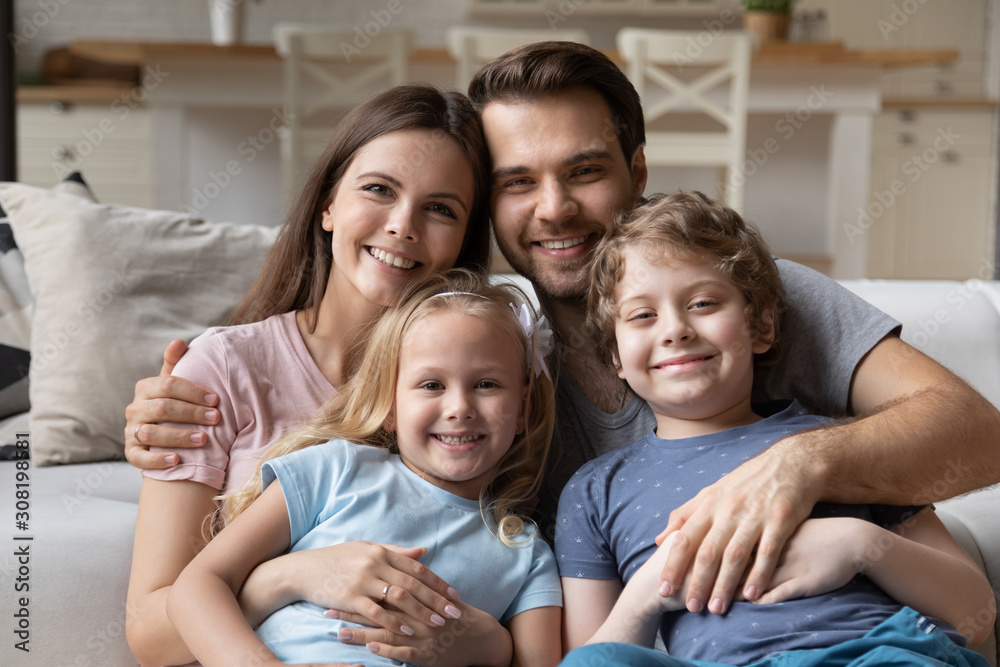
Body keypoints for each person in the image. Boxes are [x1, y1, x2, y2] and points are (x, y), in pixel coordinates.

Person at [126, 41, 1000, 631]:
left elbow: (978, 435)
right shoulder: (497, 361)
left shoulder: (736, 299)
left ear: (638, 170)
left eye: (584, 170)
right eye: (517, 183)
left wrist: (800, 464)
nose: (553, 209)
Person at [125, 84, 514, 667]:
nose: (403, 225)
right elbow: (151, 636)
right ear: (329, 205)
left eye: (440, 209)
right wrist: (292, 577)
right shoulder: (224, 370)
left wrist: (489, 641)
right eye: (379, 189)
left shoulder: (490, 388)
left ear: (464, 240)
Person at [556, 191, 994, 666]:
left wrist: (862, 545)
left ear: (761, 326)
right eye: (643, 315)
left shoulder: (838, 445)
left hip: (876, 654)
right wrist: (647, 592)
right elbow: (590, 654)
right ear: (615, 355)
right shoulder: (595, 490)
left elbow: (975, 611)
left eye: (703, 303)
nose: (675, 329)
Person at [167, 271, 563, 667]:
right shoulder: (335, 470)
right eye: (431, 385)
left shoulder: (527, 556)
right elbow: (198, 586)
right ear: (390, 407)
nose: (459, 407)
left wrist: (494, 648)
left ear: (523, 410)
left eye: (486, 384)